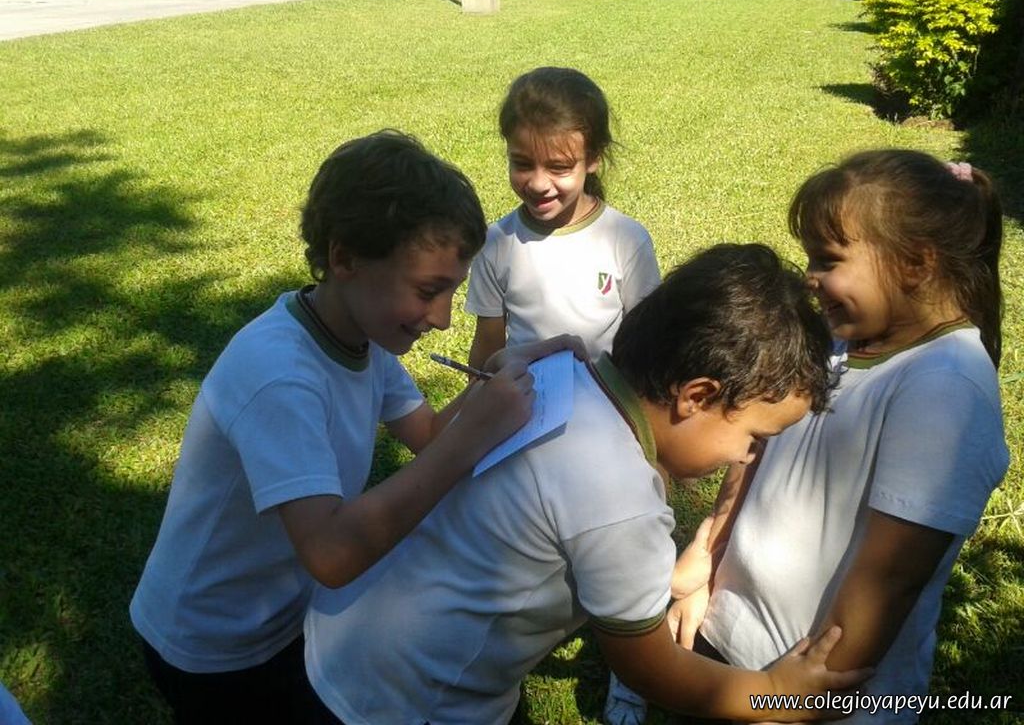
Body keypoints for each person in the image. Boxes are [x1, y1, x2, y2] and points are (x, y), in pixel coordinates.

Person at [304, 243, 873, 724]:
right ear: (697, 396)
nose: (747, 455)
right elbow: (652, 669)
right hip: (410, 702)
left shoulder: (556, 370)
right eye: (753, 435)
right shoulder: (624, 504)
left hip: (344, 634)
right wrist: (774, 691)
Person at [129, 130, 573, 724]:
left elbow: (428, 436)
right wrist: (472, 437)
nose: (443, 319)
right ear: (344, 260)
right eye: (428, 290)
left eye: (451, 292)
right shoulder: (279, 374)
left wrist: (491, 377)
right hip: (212, 645)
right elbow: (332, 552)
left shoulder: (360, 334)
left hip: (284, 616)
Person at [682, 151, 1009, 724]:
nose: (810, 277)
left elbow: (890, 580)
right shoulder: (838, 342)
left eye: (828, 260)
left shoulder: (946, 387)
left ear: (915, 263)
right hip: (733, 637)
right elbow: (755, 450)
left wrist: (802, 704)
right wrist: (706, 553)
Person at [466, 67, 661, 370]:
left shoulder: (627, 241)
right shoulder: (496, 244)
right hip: (525, 397)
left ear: (594, 158)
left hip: (606, 395)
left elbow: (648, 342)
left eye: (558, 167)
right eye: (522, 164)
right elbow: (486, 356)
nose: (538, 184)